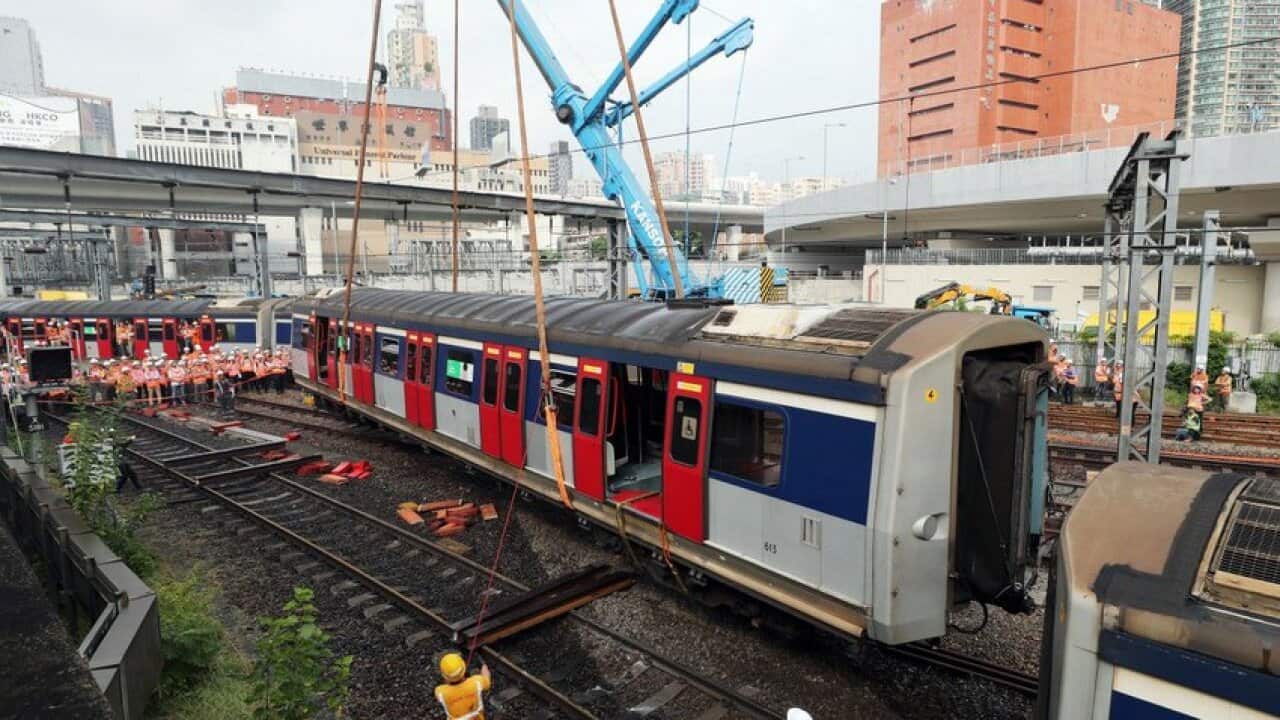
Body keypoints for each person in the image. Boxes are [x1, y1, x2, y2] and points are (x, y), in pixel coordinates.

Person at [434, 653, 491, 720]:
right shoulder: (477, 682)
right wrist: (484, 668)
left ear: (444, 676)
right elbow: (487, 682)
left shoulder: (440, 692)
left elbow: (438, 698)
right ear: (464, 668)